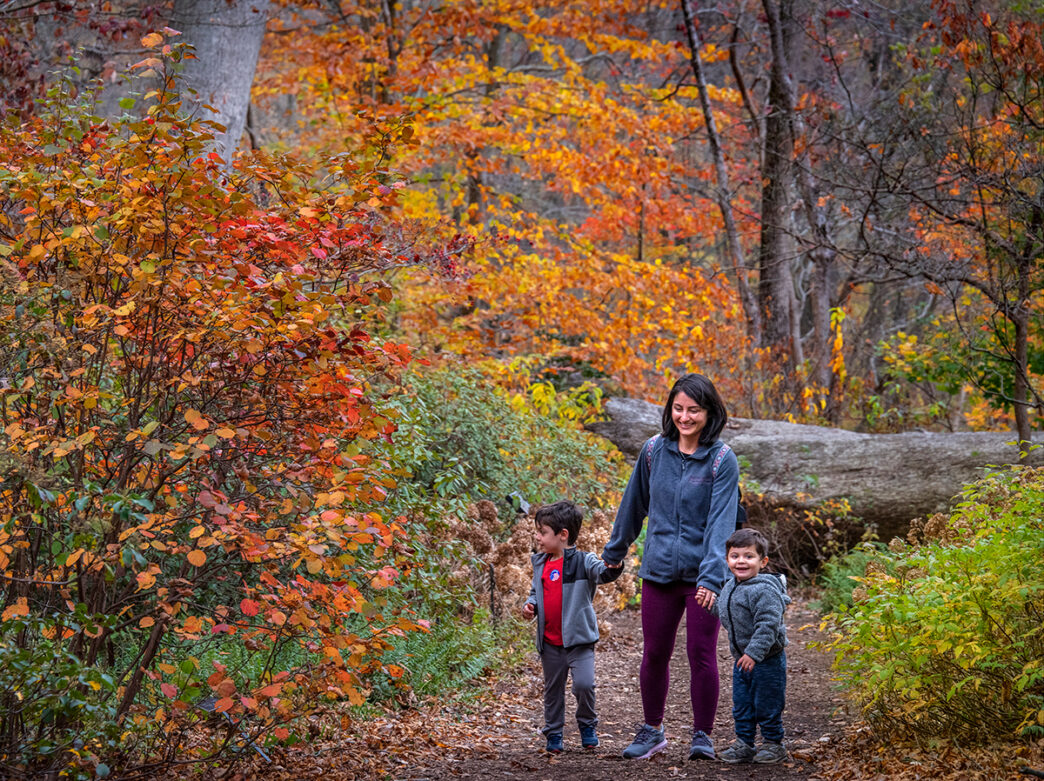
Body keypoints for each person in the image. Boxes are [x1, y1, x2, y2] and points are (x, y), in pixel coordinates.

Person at [602, 373, 739, 761]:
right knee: (655, 653)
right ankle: (652, 730)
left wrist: (713, 577)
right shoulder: (653, 452)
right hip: (659, 571)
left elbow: (721, 523)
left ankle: (702, 736)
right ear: (670, 410)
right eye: (678, 408)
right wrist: (615, 552)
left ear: (709, 412)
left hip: (702, 577)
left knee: (702, 654)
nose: (685, 417)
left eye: (694, 410)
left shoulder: (721, 460)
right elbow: (632, 506)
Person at [522, 500, 622, 754]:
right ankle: (554, 733)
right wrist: (530, 604)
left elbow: (603, 573)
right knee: (553, 690)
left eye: (542, 532)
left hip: (579, 641)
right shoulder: (540, 563)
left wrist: (615, 564)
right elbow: (536, 593)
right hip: (550, 642)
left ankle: (587, 725)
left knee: (584, 685)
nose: (537, 537)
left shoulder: (583, 561)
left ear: (562, 535)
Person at [714, 528, 790, 764]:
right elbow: (727, 612)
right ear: (727, 559)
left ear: (763, 561)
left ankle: (773, 744)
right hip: (742, 660)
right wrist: (710, 606)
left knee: (767, 702)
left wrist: (754, 653)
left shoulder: (764, 590)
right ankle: (744, 743)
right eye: (735, 556)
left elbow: (768, 626)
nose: (741, 561)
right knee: (742, 704)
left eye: (748, 556)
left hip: (767, 661)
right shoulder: (729, 586)